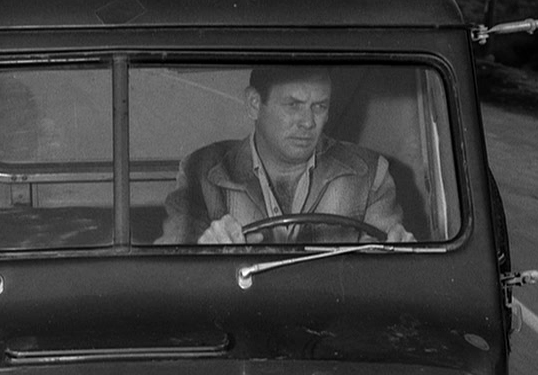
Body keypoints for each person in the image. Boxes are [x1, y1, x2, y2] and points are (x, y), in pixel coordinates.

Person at [155, 67, 415, 245]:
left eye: (319, 107)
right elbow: (167, 274)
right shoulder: (202, 171)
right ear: (254, 104)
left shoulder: (368, 173)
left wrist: (399, 253)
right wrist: (202, 253)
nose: (308, 122)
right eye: (293, 105)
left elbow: (383, 271)